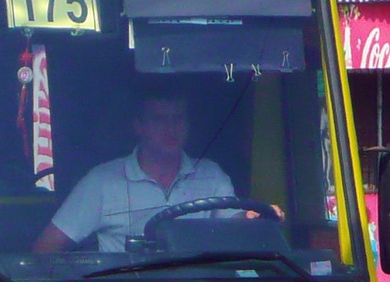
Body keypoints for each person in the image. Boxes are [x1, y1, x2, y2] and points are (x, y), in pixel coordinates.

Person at [32, 91, 243, 253]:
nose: (170, 128)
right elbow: (45, 249)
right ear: (138, 127)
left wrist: (253, 219)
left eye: (178, 119)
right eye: (159, 119)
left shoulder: (211, 174)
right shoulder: (102, 181)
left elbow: (237, 228)